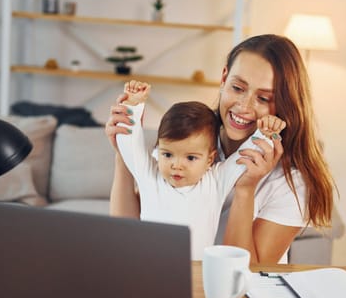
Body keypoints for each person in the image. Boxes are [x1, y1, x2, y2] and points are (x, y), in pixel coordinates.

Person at [105, 34, 335, 264]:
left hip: (244, 294)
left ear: (285, 103)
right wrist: (123, 154)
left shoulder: (293, 182)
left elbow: (249, 272)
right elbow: (129, 233)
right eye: (237, 87)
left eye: (263, 98)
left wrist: (246, 190)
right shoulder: (190, 142)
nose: (244, 106)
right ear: (224, 78)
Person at [112, 80, 283, 260]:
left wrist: (265, 133)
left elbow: (247, 155)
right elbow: (128, 144)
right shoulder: (151, 175)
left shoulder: (216, 181)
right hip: (151, 269)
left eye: (191, 158)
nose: (176, 165)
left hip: (197, 273)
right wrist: (133, 105)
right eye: (168, 154)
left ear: (210, 159)